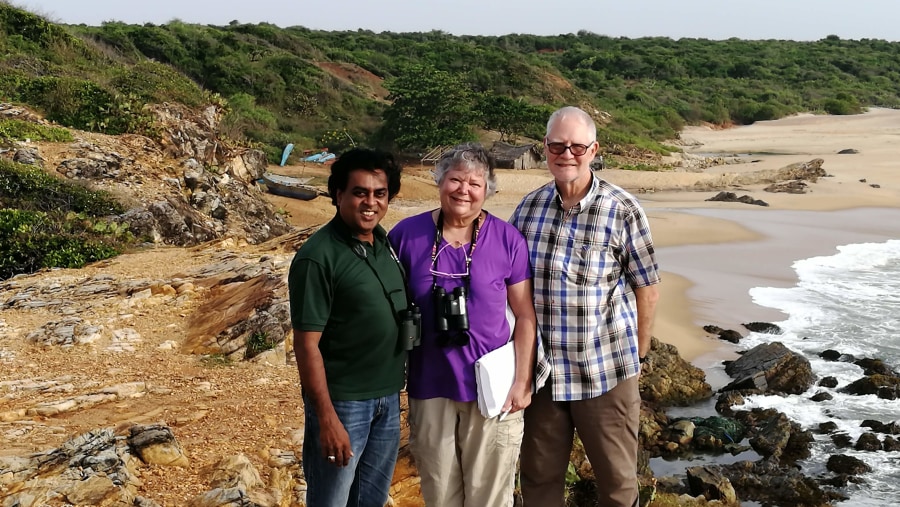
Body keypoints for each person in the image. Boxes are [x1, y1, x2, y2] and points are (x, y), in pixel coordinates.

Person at [510, 106, 661, 507]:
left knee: (617, 483)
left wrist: (640, 355)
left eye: (577, 146)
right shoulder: (527, 210)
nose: (567, 154)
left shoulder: (622, 209)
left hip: (605, 372)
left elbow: (647, 287)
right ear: (545, 148)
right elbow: (510, 287)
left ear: (593, 150)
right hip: (542, 376)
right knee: (539, 480)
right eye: (557, 145)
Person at [388, 143, 537, 507]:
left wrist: (522, 382)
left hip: (493, 389)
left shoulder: (507, 239)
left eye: (474, 183)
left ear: (488, 190)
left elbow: (525, 316)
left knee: (489, 497)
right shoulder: (407, 236)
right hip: (429, 384)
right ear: (439, 182)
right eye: (455, 179)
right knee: (439, 493)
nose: (463, 191)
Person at [288, 148, 408, 507]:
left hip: (387, 398)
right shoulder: (318, 257)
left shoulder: (383, 243)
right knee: (331, 501)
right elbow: (306, 345)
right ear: (338, 195)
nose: (370, 202)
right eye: (359, 192)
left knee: (370, 500)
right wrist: (326, 419)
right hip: (344, 404)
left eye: (379, 193)